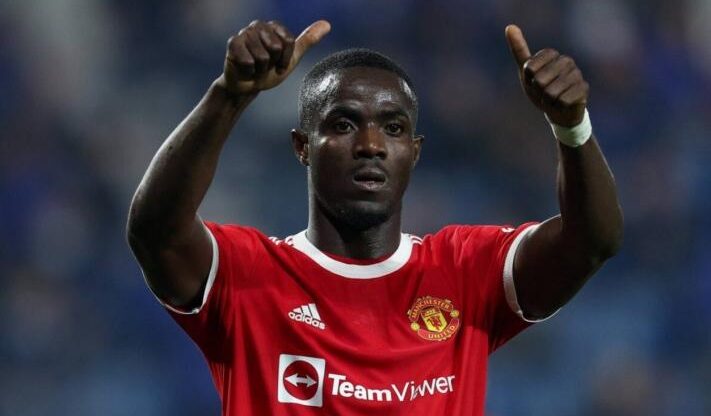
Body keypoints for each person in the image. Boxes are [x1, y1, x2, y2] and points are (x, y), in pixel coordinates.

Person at [126, 19, 623, 415]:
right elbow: (155, 232)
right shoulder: (248, 276)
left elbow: (592, 241)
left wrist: (571, 126)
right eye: (344, 124)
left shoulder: (465, 271)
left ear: (415, 152)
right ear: (303, 147)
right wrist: (230, 94)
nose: (370, 145)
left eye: (393, 128)